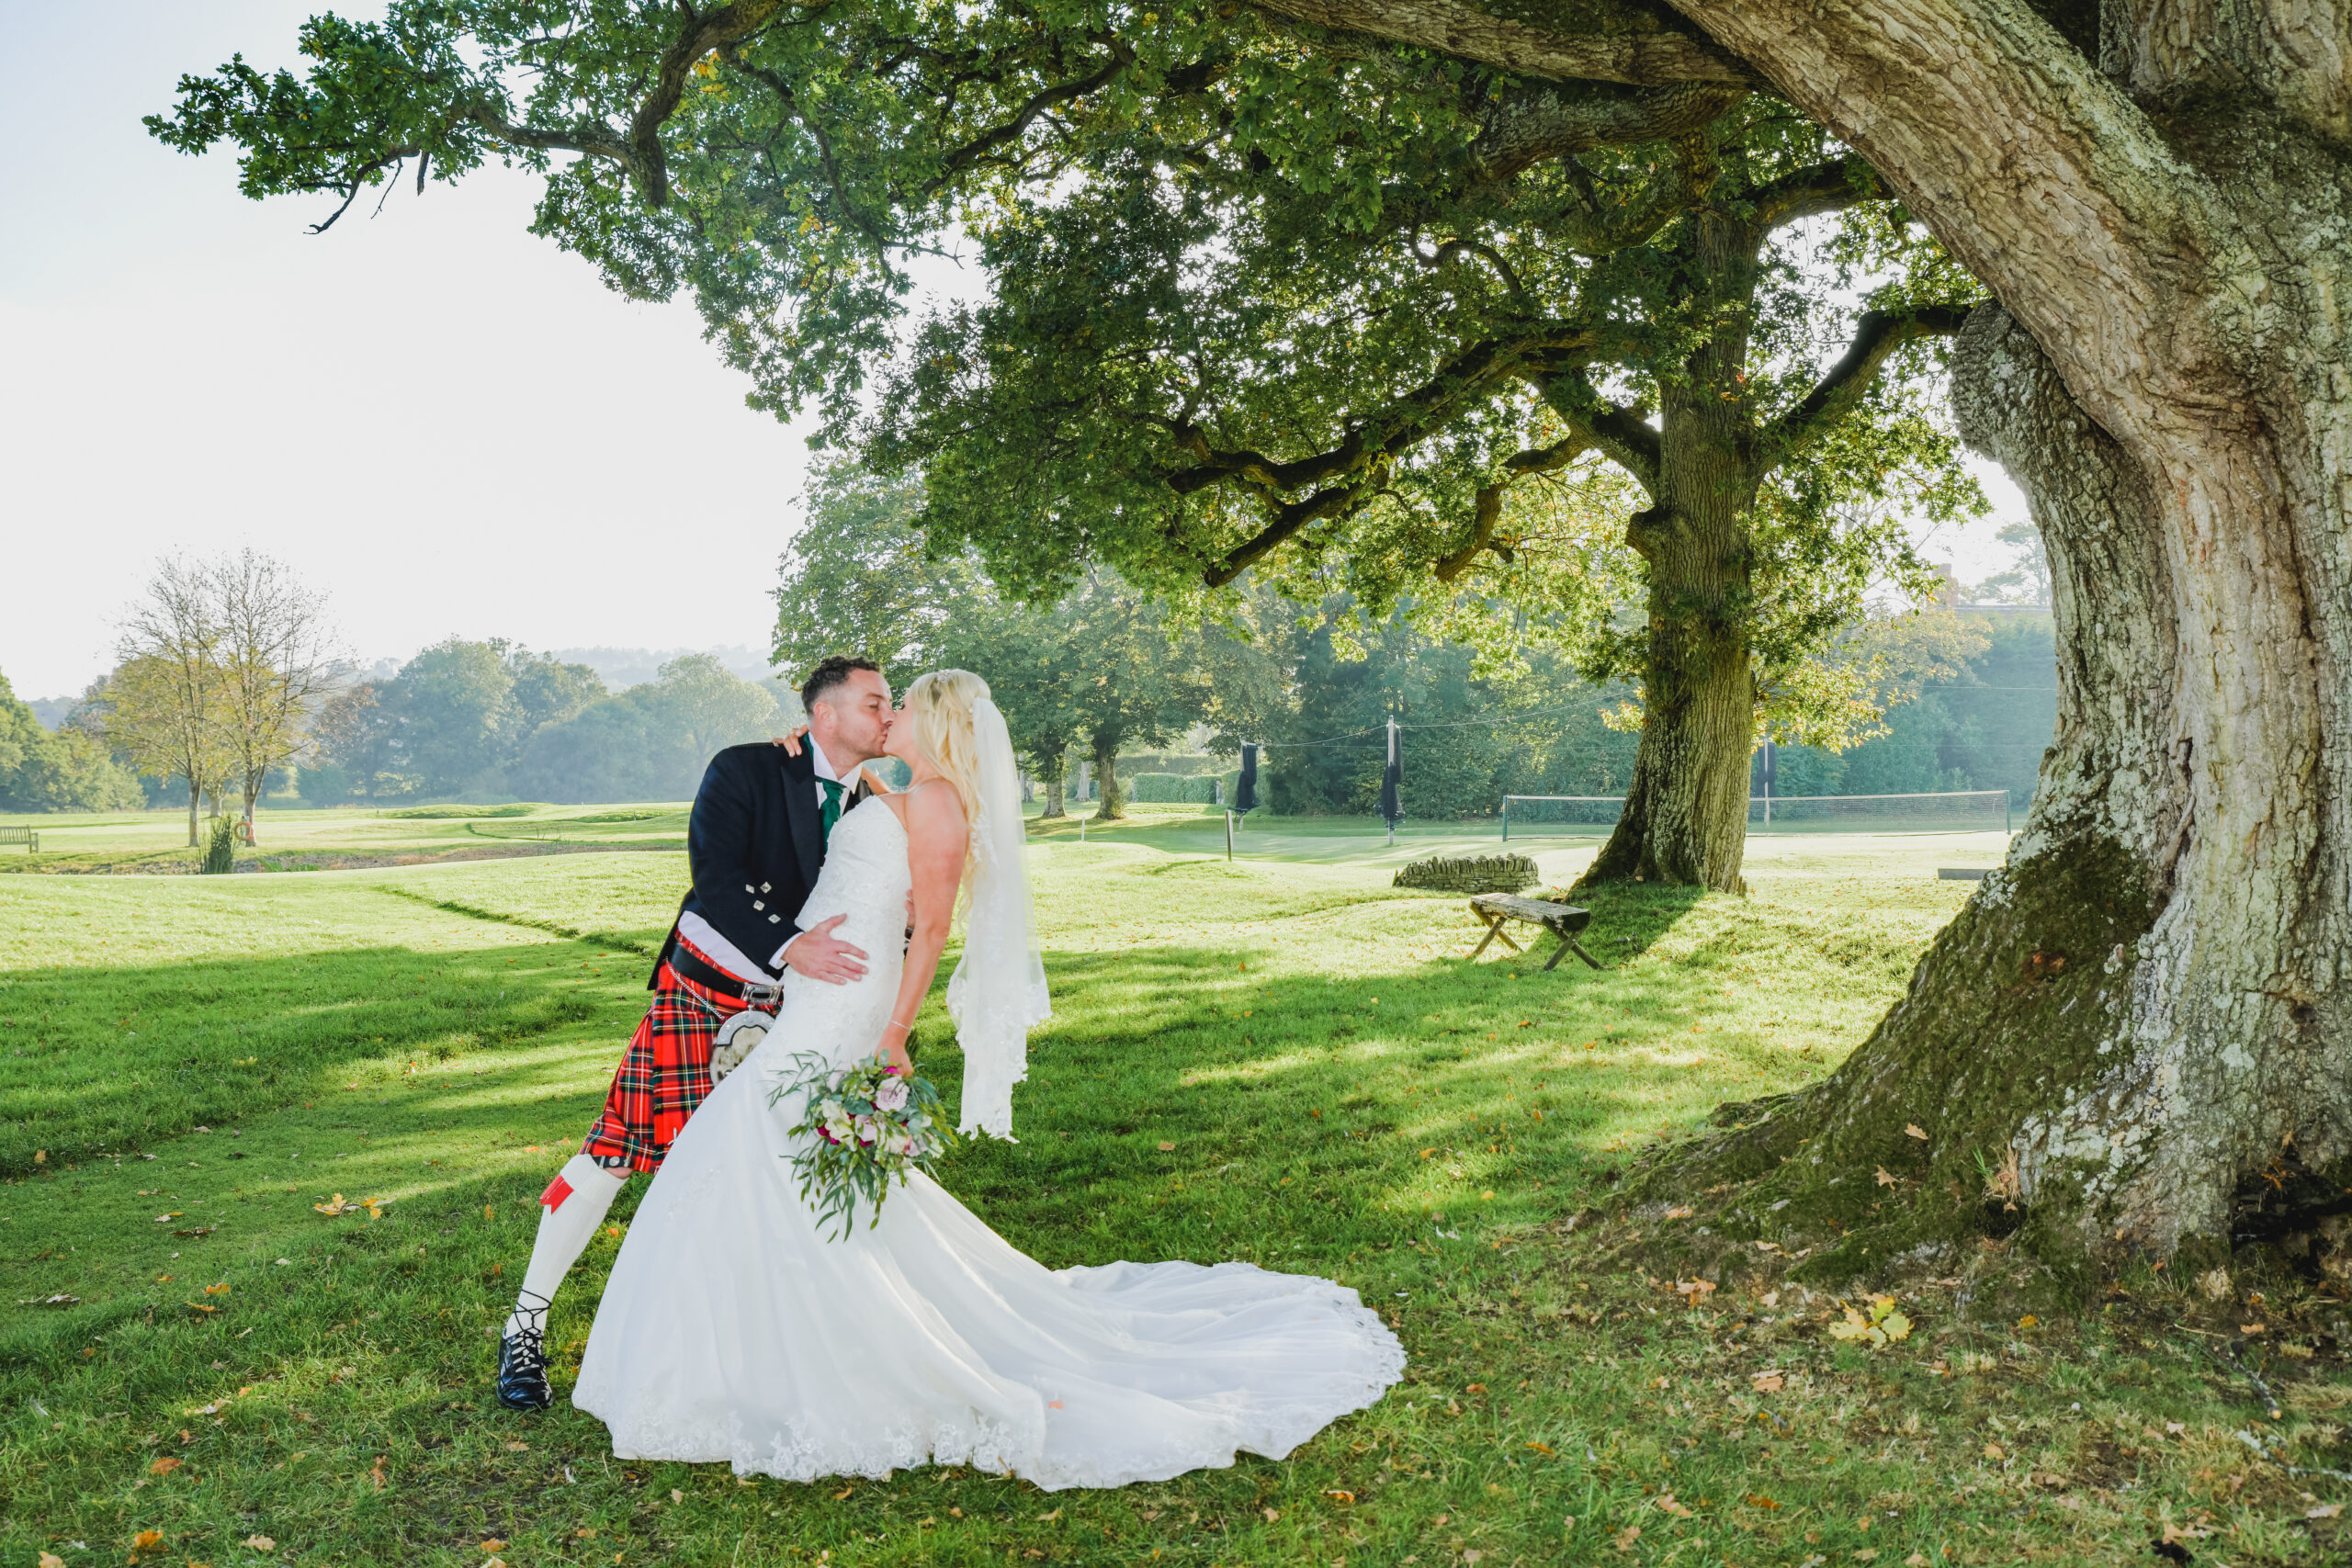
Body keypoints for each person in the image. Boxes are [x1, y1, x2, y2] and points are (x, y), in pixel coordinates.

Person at [571, 671, 1405, 1489]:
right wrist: (808, 749)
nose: (889, 714)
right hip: (815, 990)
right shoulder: (887, 787)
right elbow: (821, 805)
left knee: (755, 1140)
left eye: (901, 705)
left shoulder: (936, 804)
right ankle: (757, 1344)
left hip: (849, 1001)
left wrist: (893, 1032)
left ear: (934, 723)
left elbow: (930, 927)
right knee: (771, 1155)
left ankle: (808, 1351)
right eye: (876, 702)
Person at [494, 656, 896, 1411]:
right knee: (613, 1152)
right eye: (875, 702)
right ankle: (525, 1325)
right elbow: (714, 876)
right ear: (825, 715)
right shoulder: (744, 769)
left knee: (765, 1175)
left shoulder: (876, 800)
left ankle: (751, 1342)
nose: (889, 714)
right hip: (704, 992)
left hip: (798, 1015)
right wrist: (789, 944)